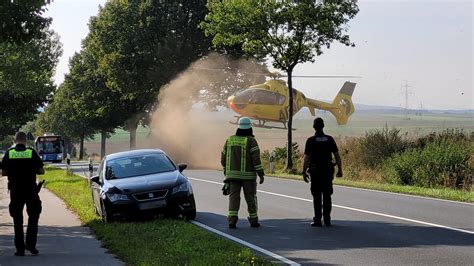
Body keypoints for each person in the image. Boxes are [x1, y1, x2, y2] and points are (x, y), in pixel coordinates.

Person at [1, 132, 45, 256]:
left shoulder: (9, 153)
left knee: (17, 220)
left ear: (14, 140)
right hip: (31, 190)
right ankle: (31, 246)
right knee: (33, 218)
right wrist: (31, 169)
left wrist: (13, 172)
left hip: (15, 191)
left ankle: (20, 249)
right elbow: (42, 171)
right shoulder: (31, 152)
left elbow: (3, 172)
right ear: (25, 140)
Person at [221, 117, 265, 229]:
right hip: (248, 177)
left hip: (232, 176)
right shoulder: (251, 141)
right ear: (250, 127)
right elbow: (256, 160)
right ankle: (253, 220)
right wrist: (260, 174)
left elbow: (223, 157)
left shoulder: (230, 140)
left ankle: (232, 221)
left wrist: (226, 170)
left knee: (233, 198)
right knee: (250, 197)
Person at [302, 118, 342, 227]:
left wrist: (303, 172)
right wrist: (340, 170)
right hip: (327, 172)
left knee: (317, 196)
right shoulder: (329, 139)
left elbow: (307, 159)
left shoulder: (311, 140)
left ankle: (317, 220)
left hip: (315, 173)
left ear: (314, 127)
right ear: (323, 126)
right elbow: (337, 156)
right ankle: (327, 219)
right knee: (327, 196)